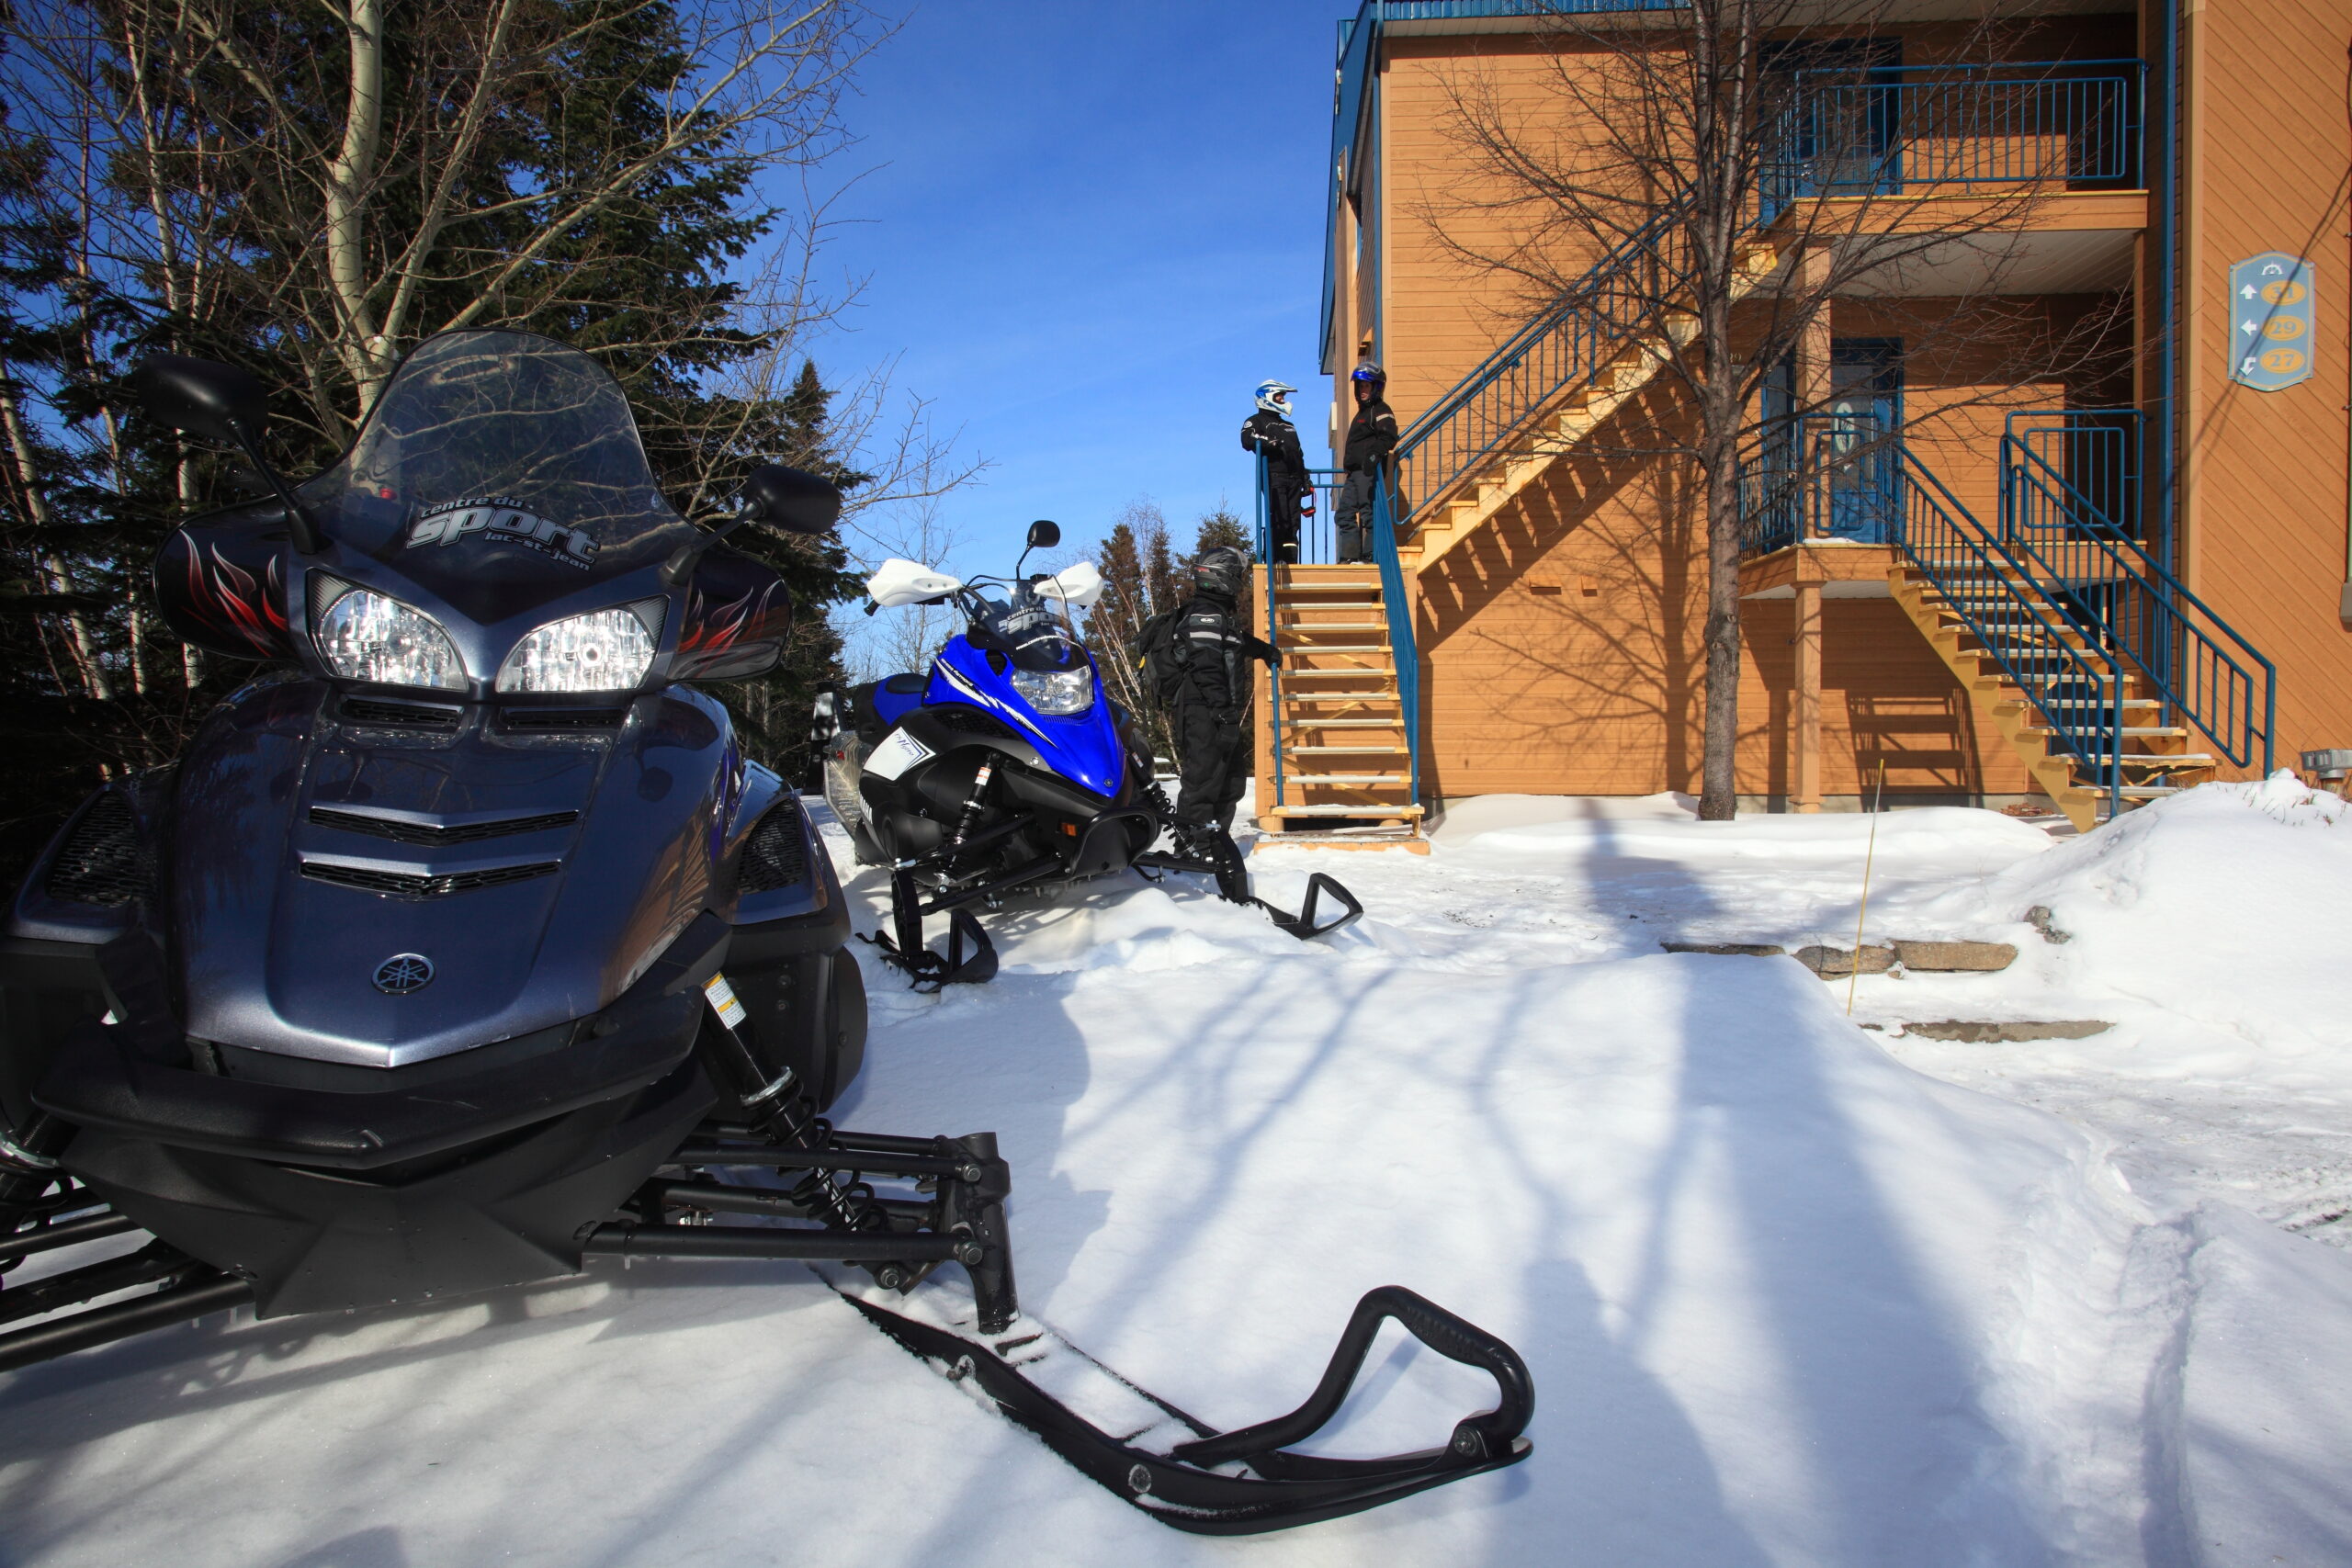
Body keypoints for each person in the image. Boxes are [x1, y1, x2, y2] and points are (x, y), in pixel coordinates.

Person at [1170, 545, 1279, 843]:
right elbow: (1205, 665)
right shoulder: (1204, 614)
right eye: (1237, 575)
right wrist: (1222, 713)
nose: (1240, 581)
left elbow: (1236, 641)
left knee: (1231, 784)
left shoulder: (1217, 615)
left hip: (1218, 711)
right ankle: (1192, 851)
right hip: (1204, 712)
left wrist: (1264, 650)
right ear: (1222, 577)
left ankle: (1215, 844)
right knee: (1202, 783)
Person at [1240, 378, 1311, 564]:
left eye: (1282, 397)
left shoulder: (1289, 425)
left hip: (1294, 478)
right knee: (1279, 518)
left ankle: (1290, 560)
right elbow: (1247, 440)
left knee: (1293, 521)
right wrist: (1269, 443)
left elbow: (1298, 453)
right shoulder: (1255, 421)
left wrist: (1305, 478)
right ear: (1267, 397)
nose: (1282, 400)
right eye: (1279, 396)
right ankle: (1274, 558)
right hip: (1274, 476)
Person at [1335, 362, 1397, 564]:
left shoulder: (1380, 409)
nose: (1362, 391)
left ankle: (1371, 555)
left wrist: (1374, 455)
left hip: (1367, 472)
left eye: (1366, 386)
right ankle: (1350, 556)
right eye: (1360, 386)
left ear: (1376, 388)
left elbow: (1388, 437)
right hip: (1354, 473)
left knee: (1368, 513)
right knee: (1344, 514)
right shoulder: (1362, 413)